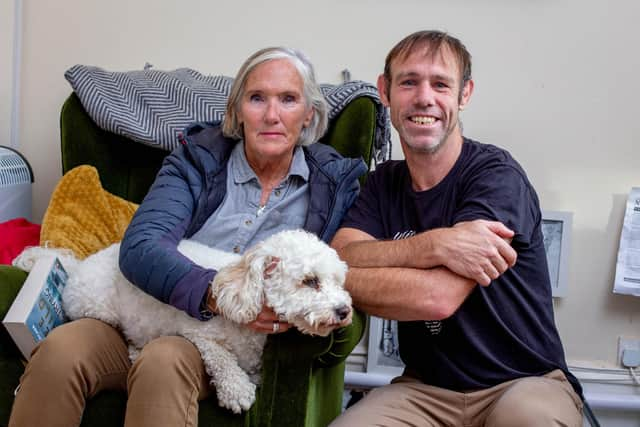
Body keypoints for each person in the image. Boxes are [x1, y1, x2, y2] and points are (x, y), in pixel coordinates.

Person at [9, 46, 366, 427]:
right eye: (257, 98)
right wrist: (216, 294)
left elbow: (341, 272)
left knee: (164, 361)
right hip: (143, 309)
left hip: (213, 346)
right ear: (237, 110)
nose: (272, 115)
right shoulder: (197, 161)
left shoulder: (333, 185)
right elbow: (142, 245)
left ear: (309, 113)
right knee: (60, 352)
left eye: (289, 99)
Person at [330, 31, 583, 426]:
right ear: (386, 91)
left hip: (523, 384)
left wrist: (345, 275)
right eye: (409, 82)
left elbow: (437, 298)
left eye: (441, 84)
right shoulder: (383, 183)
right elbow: (340, 255)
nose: (424, 98)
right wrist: (433, 246)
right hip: (424, 390)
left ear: (464, 94)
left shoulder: (497, 176)